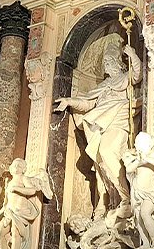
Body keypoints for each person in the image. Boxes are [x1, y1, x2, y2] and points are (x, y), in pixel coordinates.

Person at [54, 33, 141, 216]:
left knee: (108, 152)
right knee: (100, 162)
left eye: (109, 63)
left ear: (119, 63)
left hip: (118, 119)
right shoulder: (104, 85)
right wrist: (70, 101)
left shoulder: (125, 77)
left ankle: (126, 196)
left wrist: (132, 54)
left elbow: (137, 76)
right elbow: (87, 103)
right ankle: (108, 199)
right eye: (105, 63)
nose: (106, 66)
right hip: (101, 123)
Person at [0, 158, 52, 249]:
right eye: (14, 165)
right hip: (9, 213)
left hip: (20, 213)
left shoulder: (24, 179)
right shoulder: (9, 183)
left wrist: (17, 188)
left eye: (19, 166)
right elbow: (6, 201)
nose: (16, 168)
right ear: (10, 168)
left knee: (16, 234)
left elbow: (32, 190)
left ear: (24, 169)